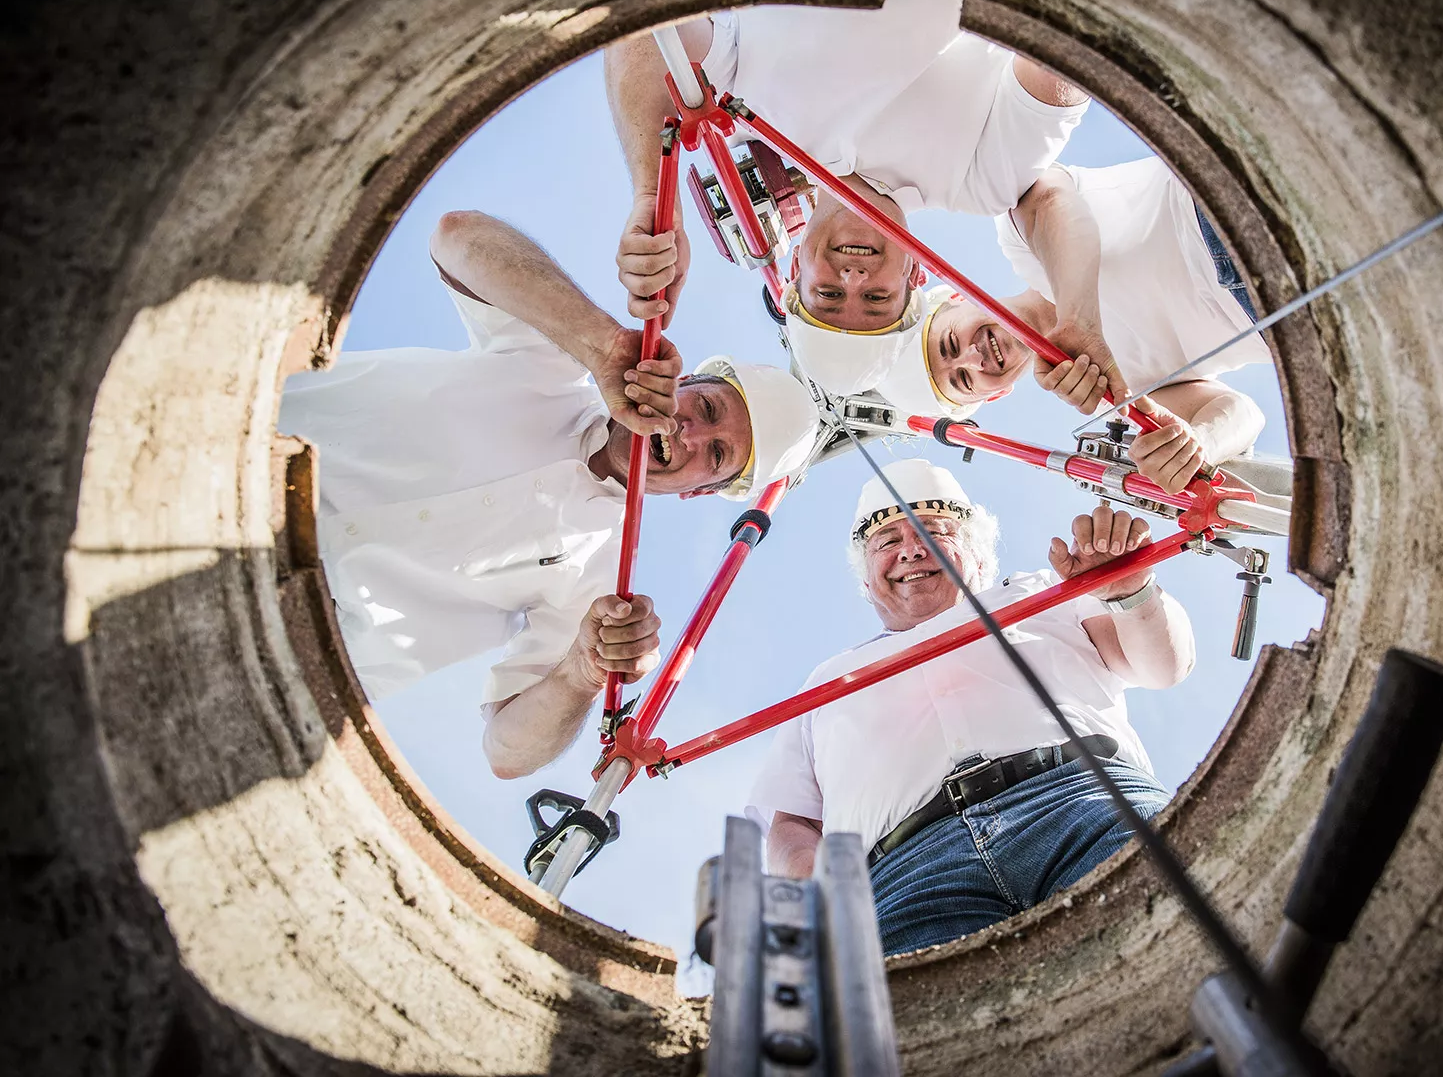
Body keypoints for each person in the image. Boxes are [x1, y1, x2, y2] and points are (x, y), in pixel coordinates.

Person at [278, 211, 820, 778]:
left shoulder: (600, 589)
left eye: (715, 455)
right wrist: (604, 345)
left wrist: (580, 676)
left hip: (282, 643)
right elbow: (456, 238)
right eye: (707, 408)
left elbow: (507, 753)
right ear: (681, 382)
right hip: (228, 445)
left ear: (697, 493)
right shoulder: (550, 359)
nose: (690, 434)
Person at [748, 459, 1195, 954]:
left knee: (1181, 930)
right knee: (921, 1021)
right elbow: (794, 825)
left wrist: (1132, 593)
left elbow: (1163, 667)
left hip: (1081, 802)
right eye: (888, 542)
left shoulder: (1044, 592)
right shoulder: (826, 681)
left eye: (933, 532)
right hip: (906, 873)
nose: (912, 550)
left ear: (979, 555)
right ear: (867, 580)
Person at [603, 0, 1113, 398]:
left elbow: (646, 22)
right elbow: (1060, 64)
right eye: (875, 298)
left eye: (828, 294)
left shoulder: (744, 112)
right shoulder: (978, 184)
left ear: (796, 266)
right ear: (914, 275)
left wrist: (652, 197)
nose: (852, 276)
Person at [873, 154, 1272, 493]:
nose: (974, 357)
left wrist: (1079, 320)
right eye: (963, 380)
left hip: (1228, 203)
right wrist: (1200, 441)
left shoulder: (1019, 236)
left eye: (948, 344)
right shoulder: (1113, 393)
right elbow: (1241, 412)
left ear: (957, 299)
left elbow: (1049, 197)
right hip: (1280, 324)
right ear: (996, 395)